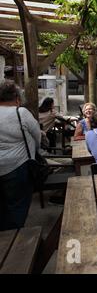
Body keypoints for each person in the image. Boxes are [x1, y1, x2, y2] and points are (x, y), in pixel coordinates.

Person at [0, 81, 41, 231]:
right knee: (17, 206)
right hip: (18, 167)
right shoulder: (21, 113)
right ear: (17, 97)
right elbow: (37, 137)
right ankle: (13, 239)